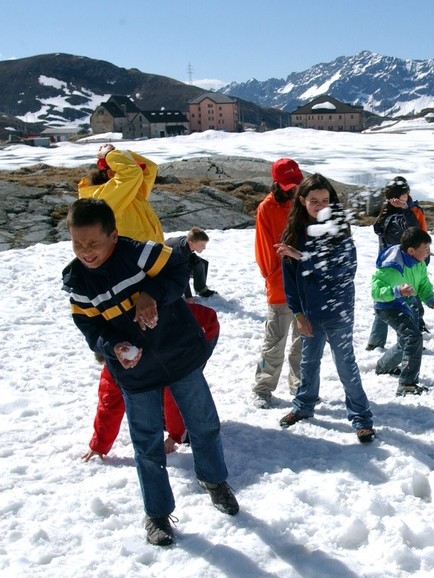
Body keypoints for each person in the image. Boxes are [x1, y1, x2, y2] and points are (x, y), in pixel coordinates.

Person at [63, 199, 238, 547]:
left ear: (113, 235)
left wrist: (150, 294)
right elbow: (89, 327)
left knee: (204, 425)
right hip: (135, 373)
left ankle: (214, 481)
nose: (86, 252)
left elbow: (178, 270)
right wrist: (112, 347)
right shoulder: (78, 281)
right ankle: (157, 515)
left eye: (93, 243)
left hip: (180, 355)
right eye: (78, 244)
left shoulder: (139, 254)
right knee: (147, 446)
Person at [274, 173, 375, 443]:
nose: (320, 205)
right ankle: (303, 406)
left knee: (345, 364)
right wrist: (297, 314)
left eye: (325, 200)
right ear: (302, 201)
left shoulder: (338, 228)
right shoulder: (294, 233)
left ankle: (361, 418)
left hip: (338, 309)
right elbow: (290, 282)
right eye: (314, 200)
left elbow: (343, 271)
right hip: (309, 311)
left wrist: (303, 257)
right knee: (308, 361)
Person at [82, 302, 221, 461]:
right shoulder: (117, 364)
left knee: (179, 384)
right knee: (151, 384)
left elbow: (173, 386)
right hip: (169, 338)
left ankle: (187, 428)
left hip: (202, 328)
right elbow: (109, 401)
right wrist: (98, 445)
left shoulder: (148, 344)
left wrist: (174, 436)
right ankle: (175, 421)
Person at [251, 158, 304, 409]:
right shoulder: (266, 208)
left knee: (302, 340)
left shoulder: (305, 203)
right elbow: (263, 251)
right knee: (275, 341)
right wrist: (273, 276)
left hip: (305, 285)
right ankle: (263, 388)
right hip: (280, 285)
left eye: (296, 182)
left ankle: (301, 386)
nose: (293, 188)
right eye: (289, 184)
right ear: (277, 183)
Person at [372, 227, 434, 396]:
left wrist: (431, 299)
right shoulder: (391, 266)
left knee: (407, 341)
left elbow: (423, 284)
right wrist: (397, 291)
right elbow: (376, 292)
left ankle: (383, 366)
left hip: (409, 303)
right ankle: (407, 384)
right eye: (425, 250)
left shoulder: (419, 263)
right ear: (411, 250)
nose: (428, 253)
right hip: (389, 307)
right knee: (413, 337)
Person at [366, 176, 429, 349]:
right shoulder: (389, 212)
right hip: (394, 264)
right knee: (404, 302)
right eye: (401, 194)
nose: (404, 197)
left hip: (406, 261)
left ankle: (378, 341)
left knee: (396, 301)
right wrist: (392, 209)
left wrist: (405, 209)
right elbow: (378, 230)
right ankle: (411, 340)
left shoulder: (412, 210)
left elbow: (417, 233)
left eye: (406, 193)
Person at [78, 144, 164, 244]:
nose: (139, 172)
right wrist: (108, 153)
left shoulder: (130, 192)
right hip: (132, 257)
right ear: (111, 174)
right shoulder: (103, 197)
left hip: (145, 255)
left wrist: (122, 153)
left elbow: (150, 168)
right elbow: (132, 172)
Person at [165, 227, 216, 298]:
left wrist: (192, 255)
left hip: (177, 257)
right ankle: (199, 290)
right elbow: (182, 275)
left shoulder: (189, 241)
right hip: (166, 267)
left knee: (203, 263)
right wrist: (188, 296)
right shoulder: (182, 251)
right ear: (191, 243)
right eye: (202, 245)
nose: (204, 248)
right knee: (194, 267)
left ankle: (201, 290)